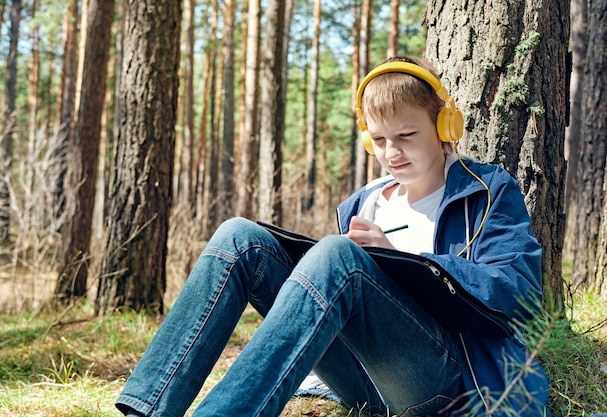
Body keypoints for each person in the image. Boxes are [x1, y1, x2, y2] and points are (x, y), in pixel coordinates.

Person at [115, 56, 551, 417]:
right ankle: (146, 410)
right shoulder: (363, 203)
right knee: (239, 237)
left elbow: (520, 291)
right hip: (361, 381)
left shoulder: (485, 191)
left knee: (338, 254)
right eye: (379, 140)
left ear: (444, 126)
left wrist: (406, 262)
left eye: (407, 135)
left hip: (444, 381)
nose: (392, 153)